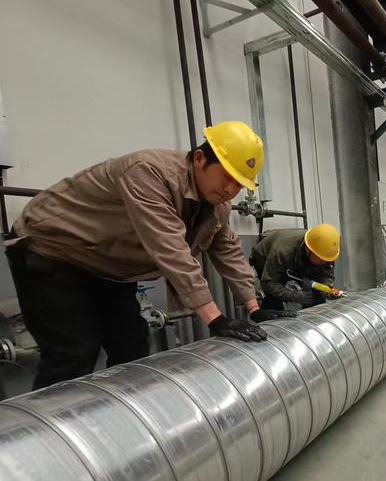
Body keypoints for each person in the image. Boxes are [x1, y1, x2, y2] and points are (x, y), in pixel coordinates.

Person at [5, 121, 288, 389]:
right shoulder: (148, 173)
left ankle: (127, 417)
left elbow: (228, 251)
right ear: (200, 159)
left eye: (239, 184)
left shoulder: (217, 205)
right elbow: (170, 248)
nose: (230, 190)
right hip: (52, 250)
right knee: (74, 353)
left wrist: (254, 307)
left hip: (108, 267)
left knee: (132, 348)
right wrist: (216, 319)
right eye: (226, 177)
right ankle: (49, 424)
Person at [250, 223, 340, 310]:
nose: (324, 262)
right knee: (274, 299)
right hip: (265, 258)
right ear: (308, 249)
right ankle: (272, 317)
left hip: (298, 257)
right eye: (320, 258)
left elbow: (325, 274)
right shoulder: (283, 252)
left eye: (326, 259)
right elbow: (268, 283)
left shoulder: (326, 252)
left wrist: (326, 288)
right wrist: (294, 295)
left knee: (316, 295)